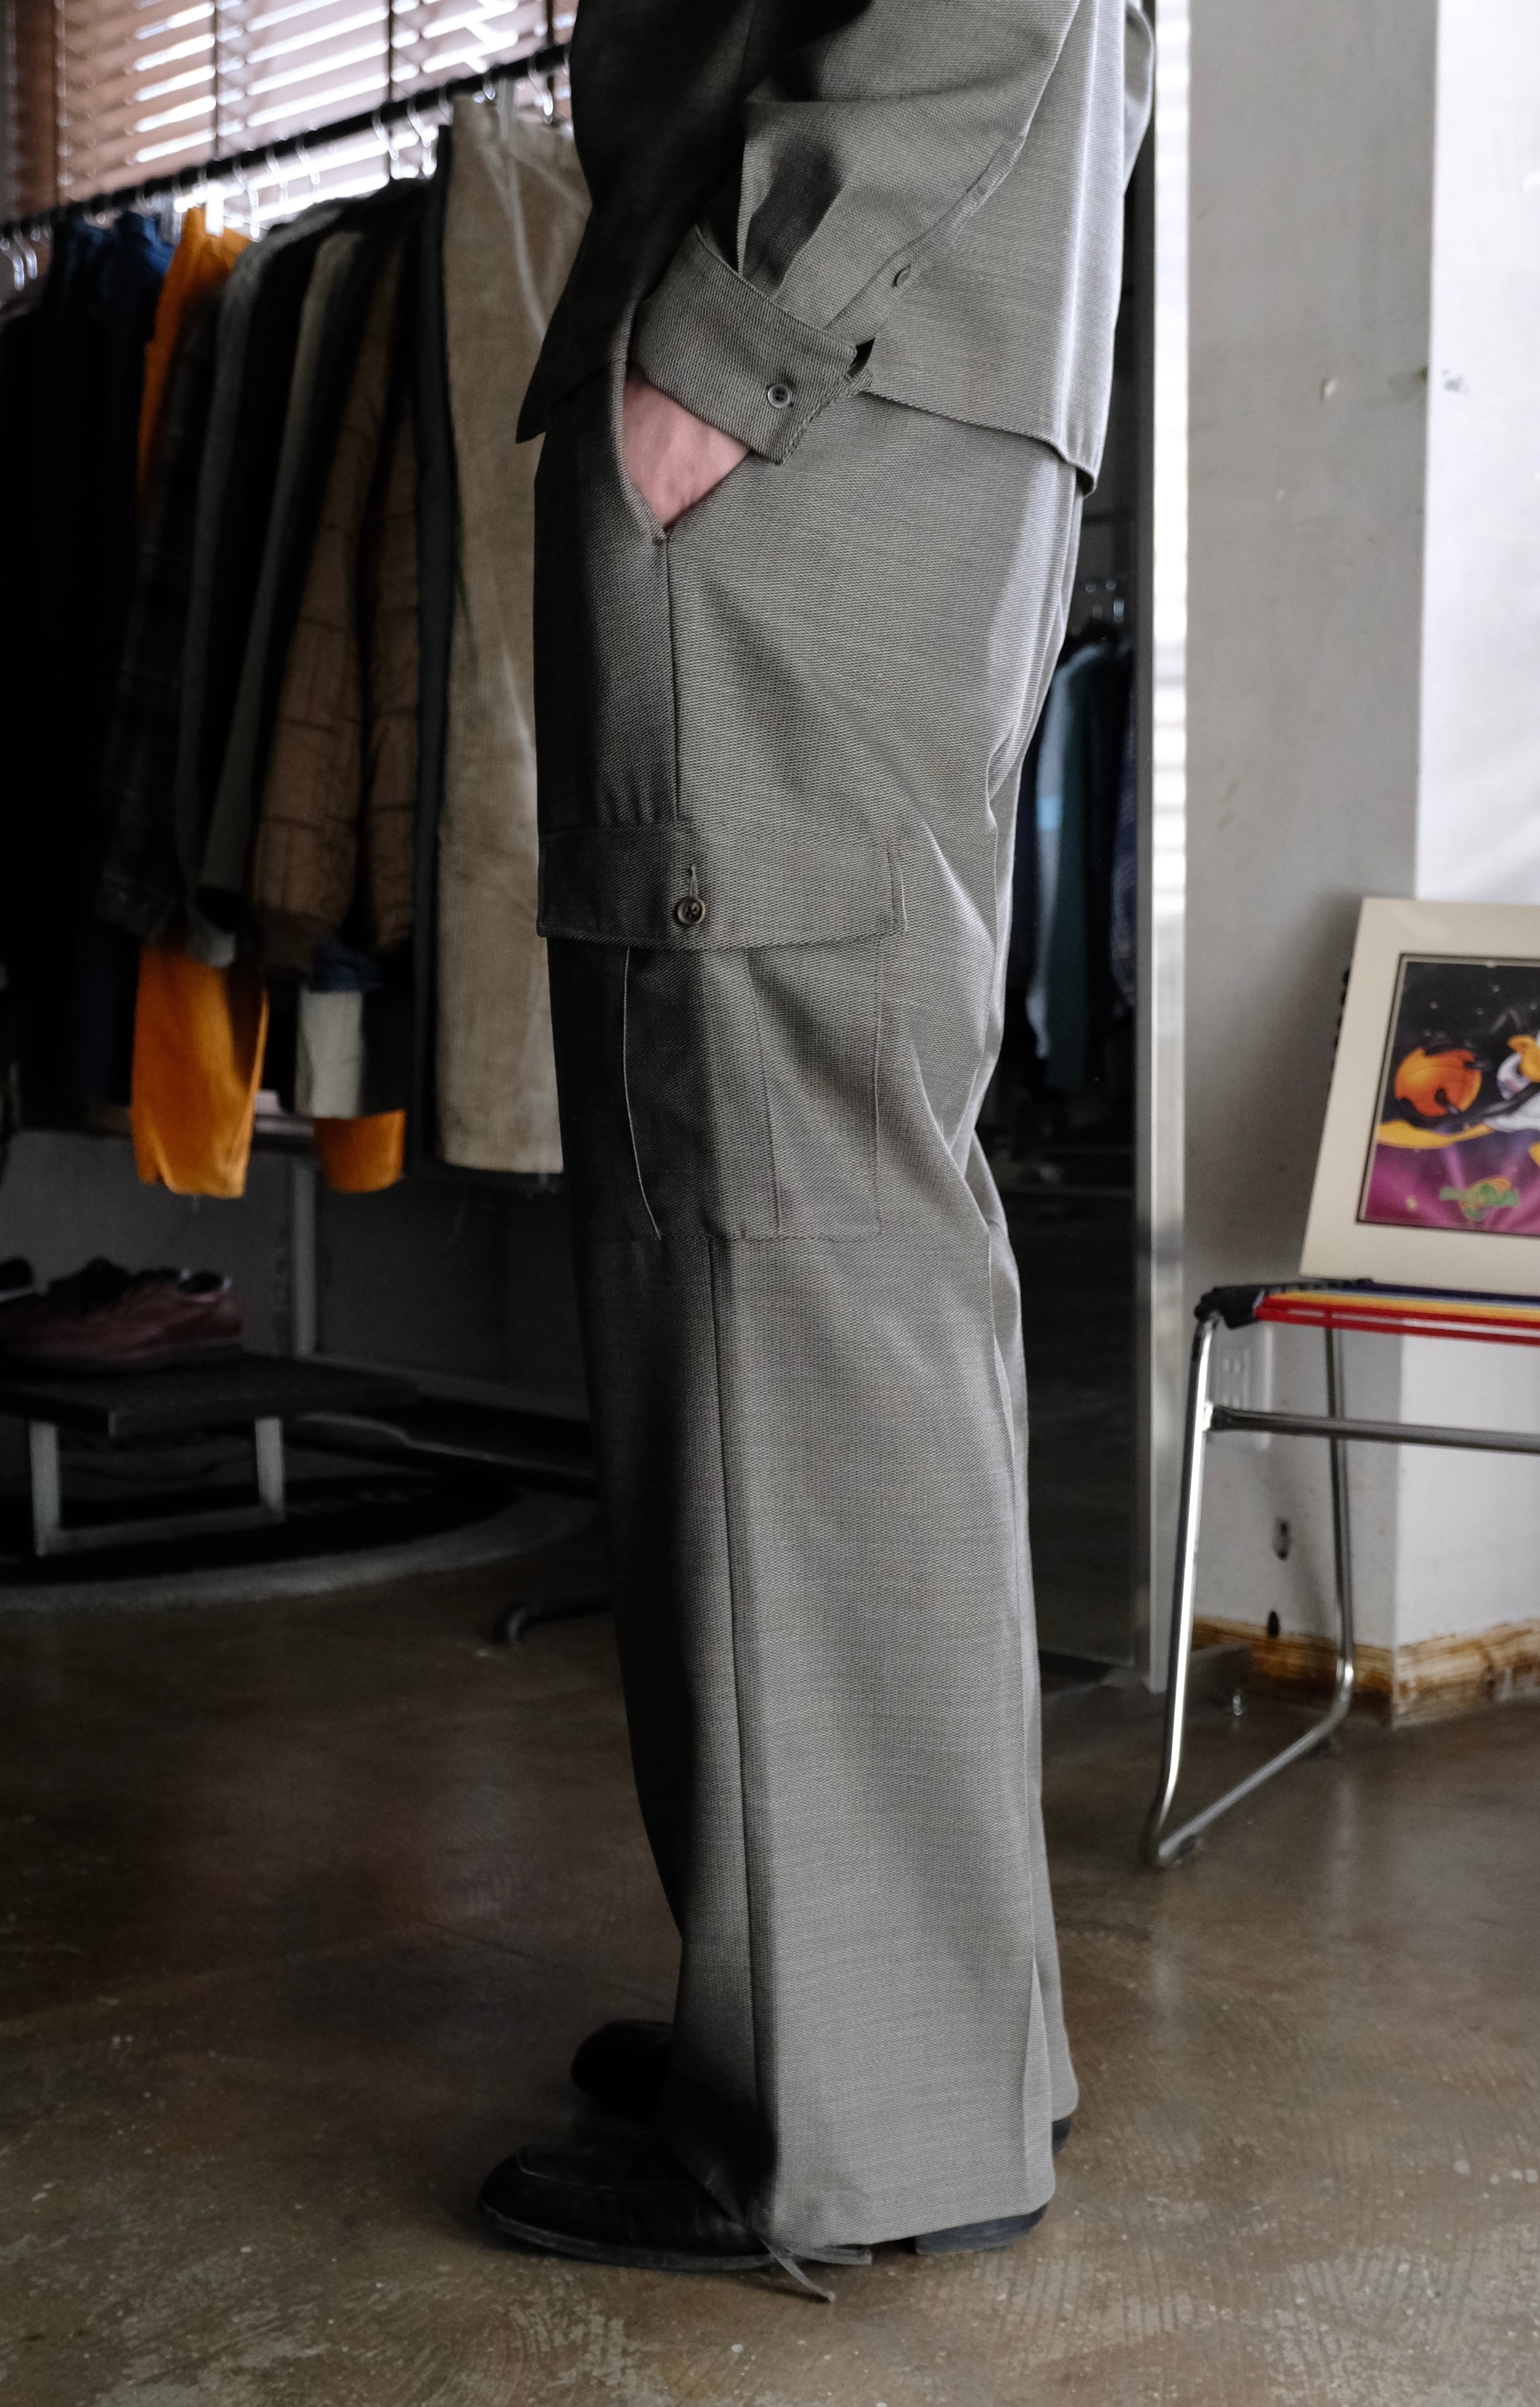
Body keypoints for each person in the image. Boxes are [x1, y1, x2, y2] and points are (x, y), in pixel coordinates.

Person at [478, 0, 1155, 2285]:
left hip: (812, 420)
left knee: (779, 1232)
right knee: (828, 1232)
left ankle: (848, 2118)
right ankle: (885, 2032)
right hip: (877, 408)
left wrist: (727, 344)